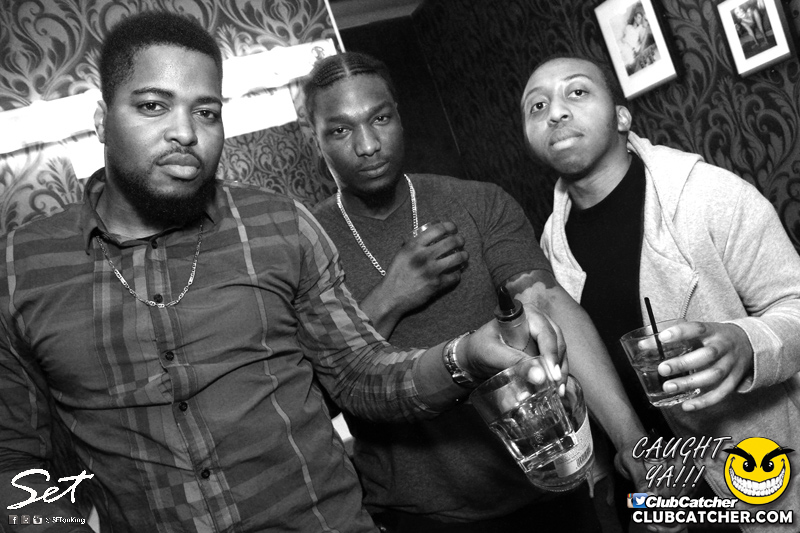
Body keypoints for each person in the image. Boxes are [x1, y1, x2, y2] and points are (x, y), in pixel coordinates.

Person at [0, 13, 565, 533]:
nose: (185, 133)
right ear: (102, 120)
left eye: (206, 111)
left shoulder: (278, 225)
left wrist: (469, 354)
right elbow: (14, 459)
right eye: (153, 106)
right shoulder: (23, 267)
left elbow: (359, 375)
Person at [306, 51, 651, 532]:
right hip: (418, 515)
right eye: (341, 130)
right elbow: (318, 391)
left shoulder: (477, 201)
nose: (367, 145)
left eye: (380, 119)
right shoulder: (304, 245)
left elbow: (546, 302)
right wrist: (392, 296)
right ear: (314, 138)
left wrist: (632, 441)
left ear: (399, 116)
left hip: (544, 488)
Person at [521, 55, 800, 532]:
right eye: (537, 106)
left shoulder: (706, 196)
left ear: (622, 117)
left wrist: (745, 343)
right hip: (657, 483)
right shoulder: (550, 247)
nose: (557, 112)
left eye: (577, 92)